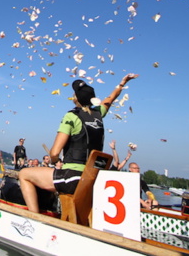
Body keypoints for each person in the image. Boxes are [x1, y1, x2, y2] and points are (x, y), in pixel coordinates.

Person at [18, 73, 138, 213]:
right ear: (93, 100)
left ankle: (34, 218)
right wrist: (123, 82)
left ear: (75, 98)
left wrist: (55, 160)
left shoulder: (71, 116)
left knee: (24, 174)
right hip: (94, 178)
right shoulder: (99, 113)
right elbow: (111, 98)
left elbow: (55, 152)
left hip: (74, 178)